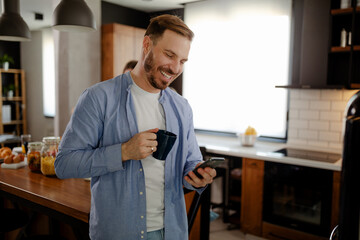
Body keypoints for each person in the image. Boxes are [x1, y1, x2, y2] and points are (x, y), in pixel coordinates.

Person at [54, 14, 216, 240]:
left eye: (182, 61)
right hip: (118, 232)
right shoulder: (97, 98)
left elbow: (190, 161)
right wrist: (123, 152)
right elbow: (63, 164)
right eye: (169, 55)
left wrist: (197, 175)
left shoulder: (182, 107)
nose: (176, 68)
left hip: (172, 232)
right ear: (147, 44)